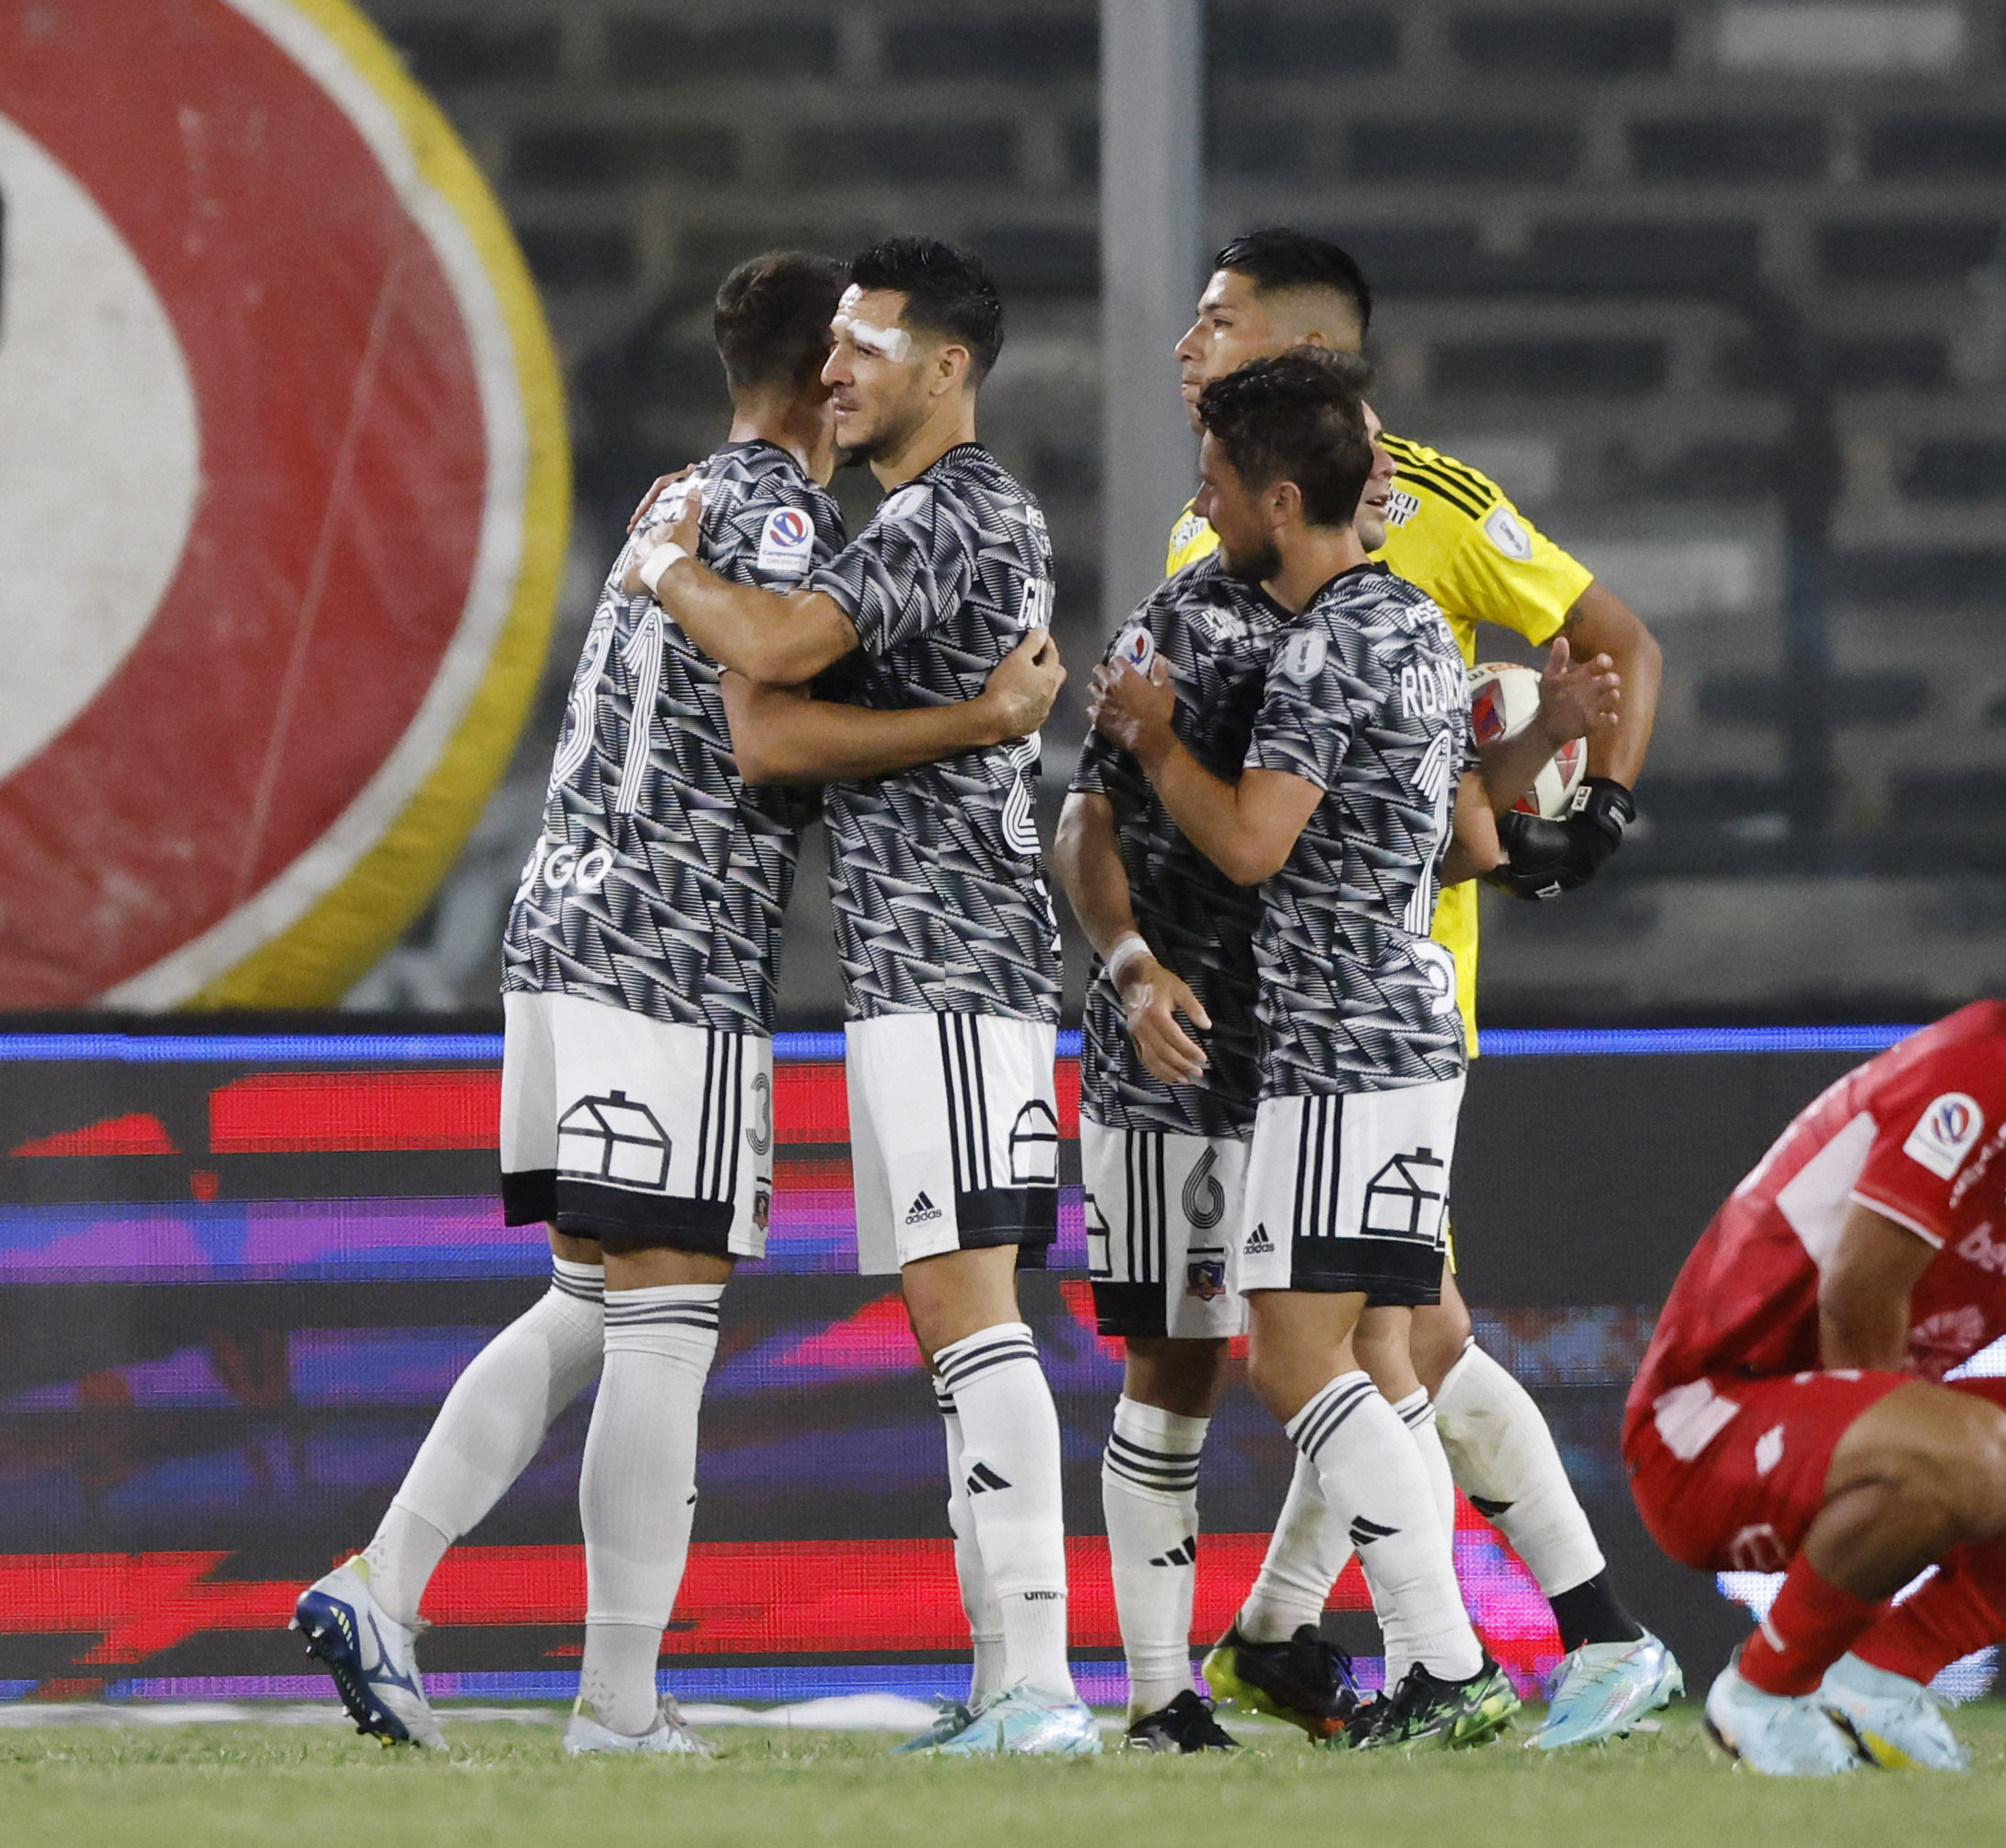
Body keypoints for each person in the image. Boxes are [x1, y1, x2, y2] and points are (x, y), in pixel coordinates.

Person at [291, 251, 884, 1756]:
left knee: (590, 1302)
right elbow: (772, 722)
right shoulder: (784, 519)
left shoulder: (671, 498)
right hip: (672, 947)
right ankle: (617, 1703)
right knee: (665, 1326)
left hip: (565, 925)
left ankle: (384, 1581)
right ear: (824, 376)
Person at [1165, 228, 1679, 1749]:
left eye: (1217, 321)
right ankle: (1281, 1638)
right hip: (1267, 991)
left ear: (1301, 356)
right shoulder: (1206, 531)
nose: (1185, 342)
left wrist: (1592, 809)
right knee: (1377, 1333)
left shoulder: (1426, 519)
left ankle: (1570, 1636)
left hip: (1372, 992)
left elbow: (1614, 642)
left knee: (1388, 1338)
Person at [1061, 357, 1609, 1749]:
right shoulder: (1406, 621)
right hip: (1340, 1037)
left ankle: (1443, 1658)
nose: (1198, 502)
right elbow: (1471, 840)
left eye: (1219, 481)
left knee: (1310, 1363)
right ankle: (1222, 1684)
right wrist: (1131, 960)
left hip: (1330, 1040)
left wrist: (1158, 736)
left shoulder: (1323, 643)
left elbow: (1249, 837)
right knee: (1335, 1353)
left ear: (1280, 494)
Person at [627, 238, 1087, 1758]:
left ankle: (1036, 1687)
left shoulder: (955, 513)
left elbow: (767, 660)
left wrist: (666, 566)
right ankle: (1004, 1681)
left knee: (974, 1314)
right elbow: (783, 723)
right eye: (829, 347)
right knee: (950, 1319)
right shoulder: (918, 518)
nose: (834, 372)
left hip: (959, 963)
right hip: (911, 970)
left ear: (946, 367)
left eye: (865, 350)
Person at [1626, 880, 2006, 1777]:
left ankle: (1877, 1674)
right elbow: (1856, 1292)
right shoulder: (1984, 1074)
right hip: (1700, 1428)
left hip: (1837, 1425)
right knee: (1962, 1446)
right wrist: (1893, 1465)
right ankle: (1763, 1692)